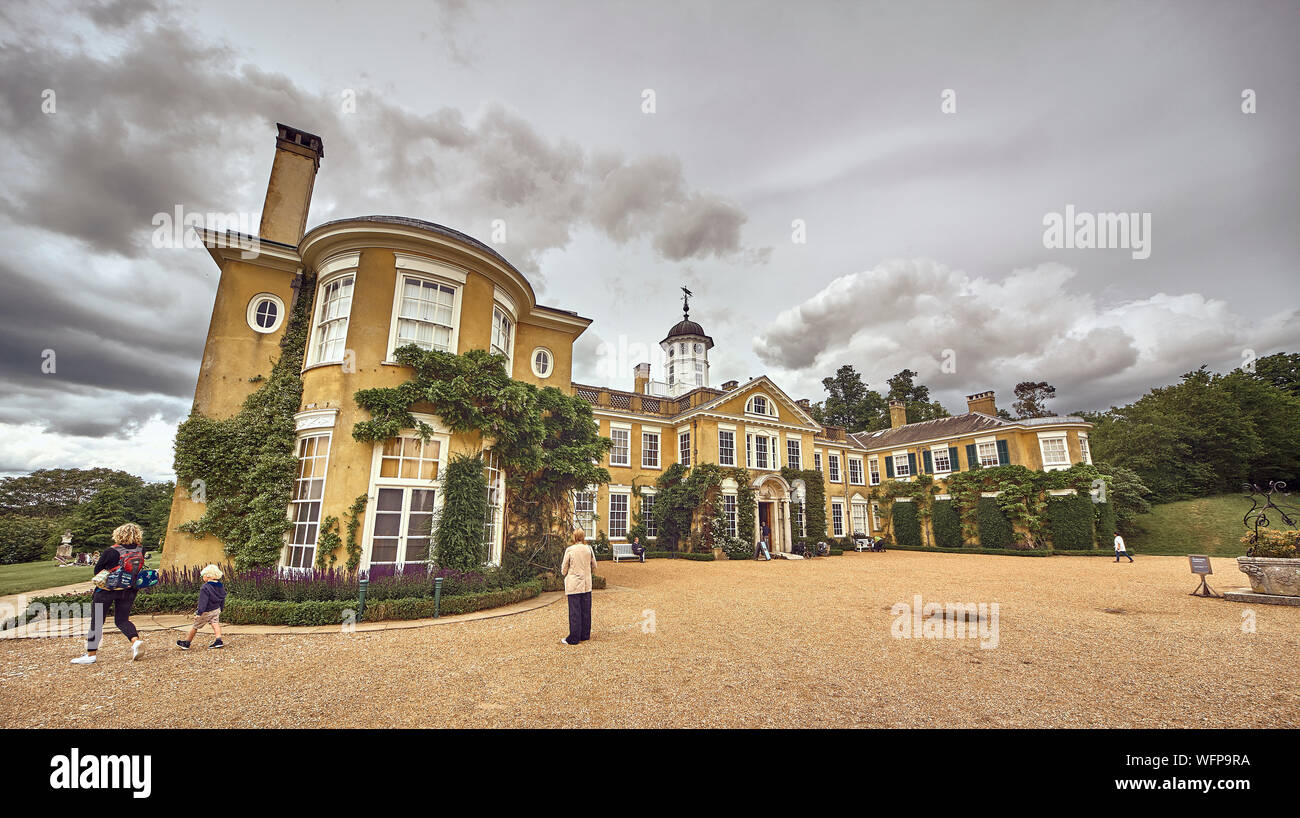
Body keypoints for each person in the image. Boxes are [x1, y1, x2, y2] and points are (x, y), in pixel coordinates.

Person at [71, 523, 147, 665]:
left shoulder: (111, 551)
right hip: (129, 589)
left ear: (118, 534)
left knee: (97, 621)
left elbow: (97, 570)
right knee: (122, 620)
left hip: (106, 591)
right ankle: (135, 642)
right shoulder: (141, 550)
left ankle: (91, 654)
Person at [559, 528, 596, 646]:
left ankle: (574, 638)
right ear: (583, 537)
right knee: (586, 610)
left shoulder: (570, 550)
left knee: (575, 611)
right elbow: (594, 565)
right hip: (586, 584)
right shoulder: (588, 549)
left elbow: (564, 568)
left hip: (574, 584)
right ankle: (585, 635)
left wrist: (565, 573)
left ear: (574, 537)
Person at [177, 565, 226, 650]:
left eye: (203, 575)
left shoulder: (205, 587)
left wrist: (199, 613)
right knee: (215, 624)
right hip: (216, 609)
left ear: (207, 576)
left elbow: (203, 602)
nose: (202, 577)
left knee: (195, 626)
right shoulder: (220, 586)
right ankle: (218, 640)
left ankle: (187, 643)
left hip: (206, 611)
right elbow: (223, 597)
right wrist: (221, 608)